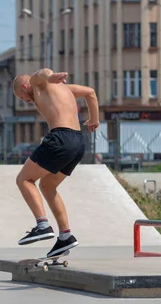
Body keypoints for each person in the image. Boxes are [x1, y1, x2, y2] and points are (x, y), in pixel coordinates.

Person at [12, 68, 99, 258]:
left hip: (61, 138)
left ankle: (42, 225)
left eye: (22, 97)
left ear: (25, 87)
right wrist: (94, 118)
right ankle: (65, 236)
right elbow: (90, 92)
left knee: (24, 180)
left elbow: (41, 73)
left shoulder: (37, 85)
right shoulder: (65, 89)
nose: (26, 101)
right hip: (78, 141)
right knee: (48, 186)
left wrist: (50, 77)